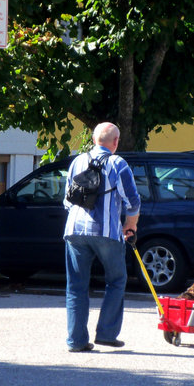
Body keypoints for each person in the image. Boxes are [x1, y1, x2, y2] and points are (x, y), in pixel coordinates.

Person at [63, 122, 141, 352]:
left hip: (74, 231)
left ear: (94, 139)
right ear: (115, 142)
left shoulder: (77, 161)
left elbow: (67, 200)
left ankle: (76, 341)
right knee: (116, 280)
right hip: (106, 231)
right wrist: (130, 224)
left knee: (76, 286)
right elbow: (133, 201)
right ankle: (106, 334)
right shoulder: (118, 163)